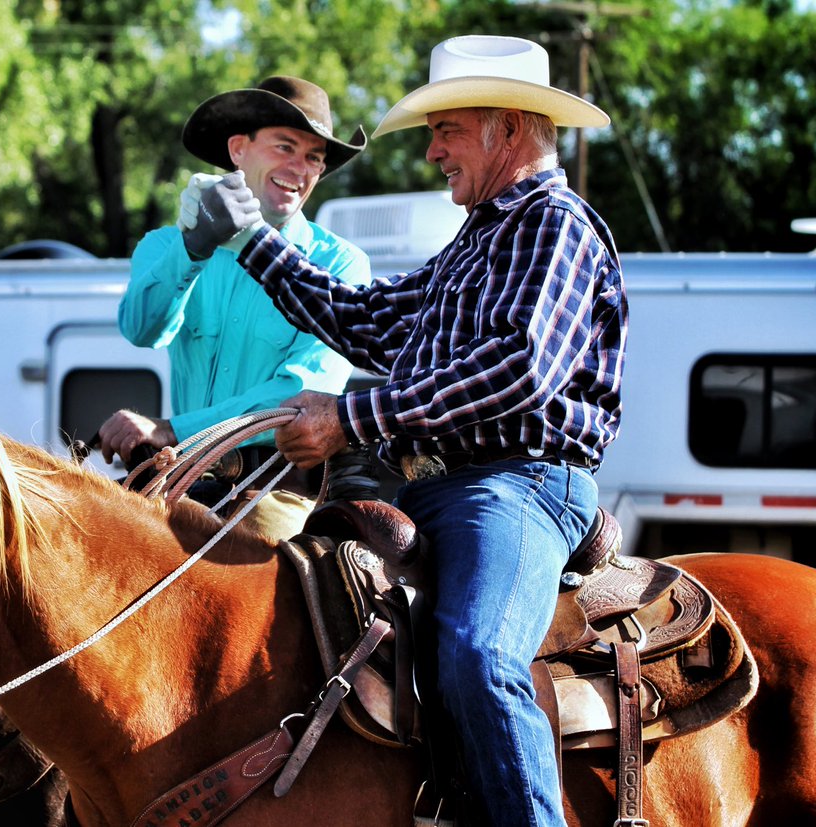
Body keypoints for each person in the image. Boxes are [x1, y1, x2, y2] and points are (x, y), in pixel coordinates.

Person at [184, 35, 627, 827]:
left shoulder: (557, 224)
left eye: (446, 130)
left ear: (509, 130)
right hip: (435, 486)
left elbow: (518, 368)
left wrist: (351, 416)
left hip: (520, 483)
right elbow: (366, 318)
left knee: (479, 657)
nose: (431, 153)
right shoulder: (479, 241)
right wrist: (252, 237)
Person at [98, 75, 372, 539]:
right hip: (179, 483)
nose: (300, 169)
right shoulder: (167, 244)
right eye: (285, 147)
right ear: (238, 149)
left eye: (314, 158)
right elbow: (141, 329)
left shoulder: (341, 263)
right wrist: (194, 248)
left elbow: (295, 398)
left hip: (278, 494)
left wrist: (172, 430)